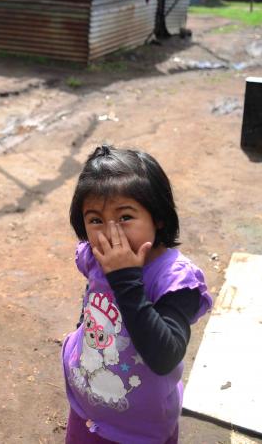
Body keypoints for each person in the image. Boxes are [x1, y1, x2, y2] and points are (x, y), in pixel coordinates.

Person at [61, 145, 212, 444]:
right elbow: (93, 296)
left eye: (125, 217)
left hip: (141, 428)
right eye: (95, 220)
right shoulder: (95, 255)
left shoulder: (174, 280)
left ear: (158, 217)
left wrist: (125, 280)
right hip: (85, 408)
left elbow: (165, 355)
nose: (110, 233)